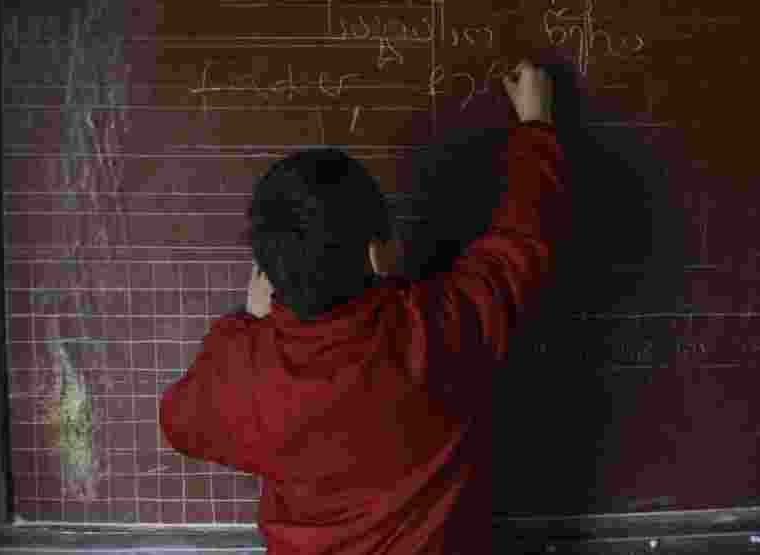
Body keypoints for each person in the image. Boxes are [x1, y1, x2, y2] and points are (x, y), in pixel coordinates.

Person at [160, 59, 572, 554]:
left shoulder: (245, 369)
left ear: (267, 273)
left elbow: (178, 422)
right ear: (376, 253)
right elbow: (523, 241)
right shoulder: (438, 328)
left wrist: (245, 325)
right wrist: (536, 127)